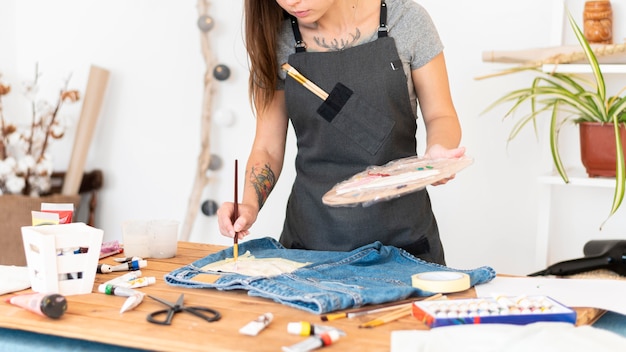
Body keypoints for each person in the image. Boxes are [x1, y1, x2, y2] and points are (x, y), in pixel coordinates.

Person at [217, 0, 465, 265]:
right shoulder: (277, 41)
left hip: (406, 246)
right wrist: (249, 205)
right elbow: (267, 146)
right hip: (311, 249)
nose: (291, 2)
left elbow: (441, 115)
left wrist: (438, 151)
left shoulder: (405, 20)